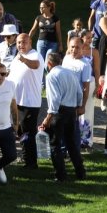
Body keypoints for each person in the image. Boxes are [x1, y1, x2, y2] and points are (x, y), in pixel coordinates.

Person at [40, 50, 86, 181]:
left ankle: (60, 174)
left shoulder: (51, 76)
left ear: (49, 63)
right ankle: (80, 172)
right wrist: (77, 107)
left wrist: (48, 118)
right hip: (72, 111)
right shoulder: (70, 73)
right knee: (71, 144)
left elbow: (54, 99)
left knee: (55, 144)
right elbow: (79, 93)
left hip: (59, 113)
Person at [5, 32, 43, 169]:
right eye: (19, 42)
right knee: (21, 131)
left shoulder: (34, 55)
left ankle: (31, 163)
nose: (21, 45)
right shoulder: (17, 57)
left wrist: (24, 60)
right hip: (17, 101)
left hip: (30, 102)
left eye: (24, 42)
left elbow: (35, 65)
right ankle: (26, 157)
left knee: (28, 133)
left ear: (30, 42)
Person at [29, 0, 63, 64]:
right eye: (40, 7)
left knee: (48, 59)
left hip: (52, 43)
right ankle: (41, 74)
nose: (41, 9)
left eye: (43, 7)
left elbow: (58, 32)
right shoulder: (38, 18)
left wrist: (60, 44)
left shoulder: (55, 18)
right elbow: (33, 29)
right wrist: (28, 39)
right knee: (40, 60)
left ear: (49, 8)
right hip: (41, 43)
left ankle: (47, 73)